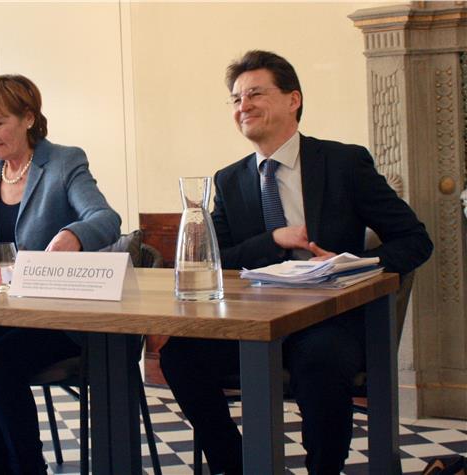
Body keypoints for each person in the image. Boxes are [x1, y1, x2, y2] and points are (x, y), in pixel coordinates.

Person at [159, 50, 433, 475]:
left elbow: (415, 240)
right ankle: (235, 464)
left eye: (255, 94)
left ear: (293, 100)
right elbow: (219, 258)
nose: (244, 105)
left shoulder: (343, 163)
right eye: (236, 99)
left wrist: (351, 264)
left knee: (320, 361)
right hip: (253, 320)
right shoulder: (229, 180)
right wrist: (273, 240)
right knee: (180, 356)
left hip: (328, 320)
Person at [0, 74, 121, 474]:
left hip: (59, 316)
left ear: (29, 118)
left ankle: (29, 468)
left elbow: (105, 219)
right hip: (2, 313)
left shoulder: (64, 162)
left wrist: (74, 234)